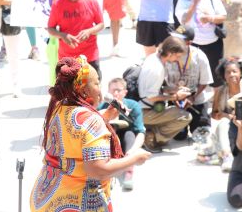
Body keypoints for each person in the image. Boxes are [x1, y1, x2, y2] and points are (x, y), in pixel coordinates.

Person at [30, 56, 150, 211]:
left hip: (46, 199)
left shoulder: (59, 107)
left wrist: (105, 117)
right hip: (78, 203)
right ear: (83, 89)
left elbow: (75, 132)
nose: (99, 89)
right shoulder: (92, 121)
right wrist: (134, 159)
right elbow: (97, 170)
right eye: (96, 83)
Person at [137, 36, 193, 151]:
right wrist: (176, 96)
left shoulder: (153, 57)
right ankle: (151, 137)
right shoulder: (157, 69)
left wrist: (174, 89)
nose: (177, 59)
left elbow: (154, 87)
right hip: (144, 112)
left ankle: (148, 130)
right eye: (177, 56)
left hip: (140, 107)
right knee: (185, 116)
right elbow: (151, 97)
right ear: (170, 53)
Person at [47, 0, 105, 77]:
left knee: (91, 90)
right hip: (67, 58)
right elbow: (50, 29)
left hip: (89, 56)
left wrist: (89, 31)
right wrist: (63, 35)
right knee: (67, 92)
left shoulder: (91, 0)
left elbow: (101, 24)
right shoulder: (58, 4)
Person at [175, 0, 227, 85]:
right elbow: (183, 20)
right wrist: (194, 3)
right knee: (193, 77)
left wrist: (210, 18)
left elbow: (223, 16)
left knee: (217, 78)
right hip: (193, 44)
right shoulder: (183, 0)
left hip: (213, 43)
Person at [97, 77, 146, 190]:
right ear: (108, 92)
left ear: (125, 92)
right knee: (109, 131)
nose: (115, 93)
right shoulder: (102, 107)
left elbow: (140, 131)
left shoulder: (133, 106)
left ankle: (128, 173)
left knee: (130, 133)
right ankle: (107, 175)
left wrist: (133, 151)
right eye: (112, 90)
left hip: (127, 138)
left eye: (118, 90)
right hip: (109, 140)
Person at [164, 25, 214, 136]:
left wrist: (193, 97)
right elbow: (162, 81)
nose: (174, 41)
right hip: (174, 99)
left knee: (201, 134)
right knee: (179, 136)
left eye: (179, 39)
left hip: (196, 99)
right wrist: (173, 96)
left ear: (188, 43)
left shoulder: (199, 56)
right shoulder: (167, 55)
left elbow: (204, 82)